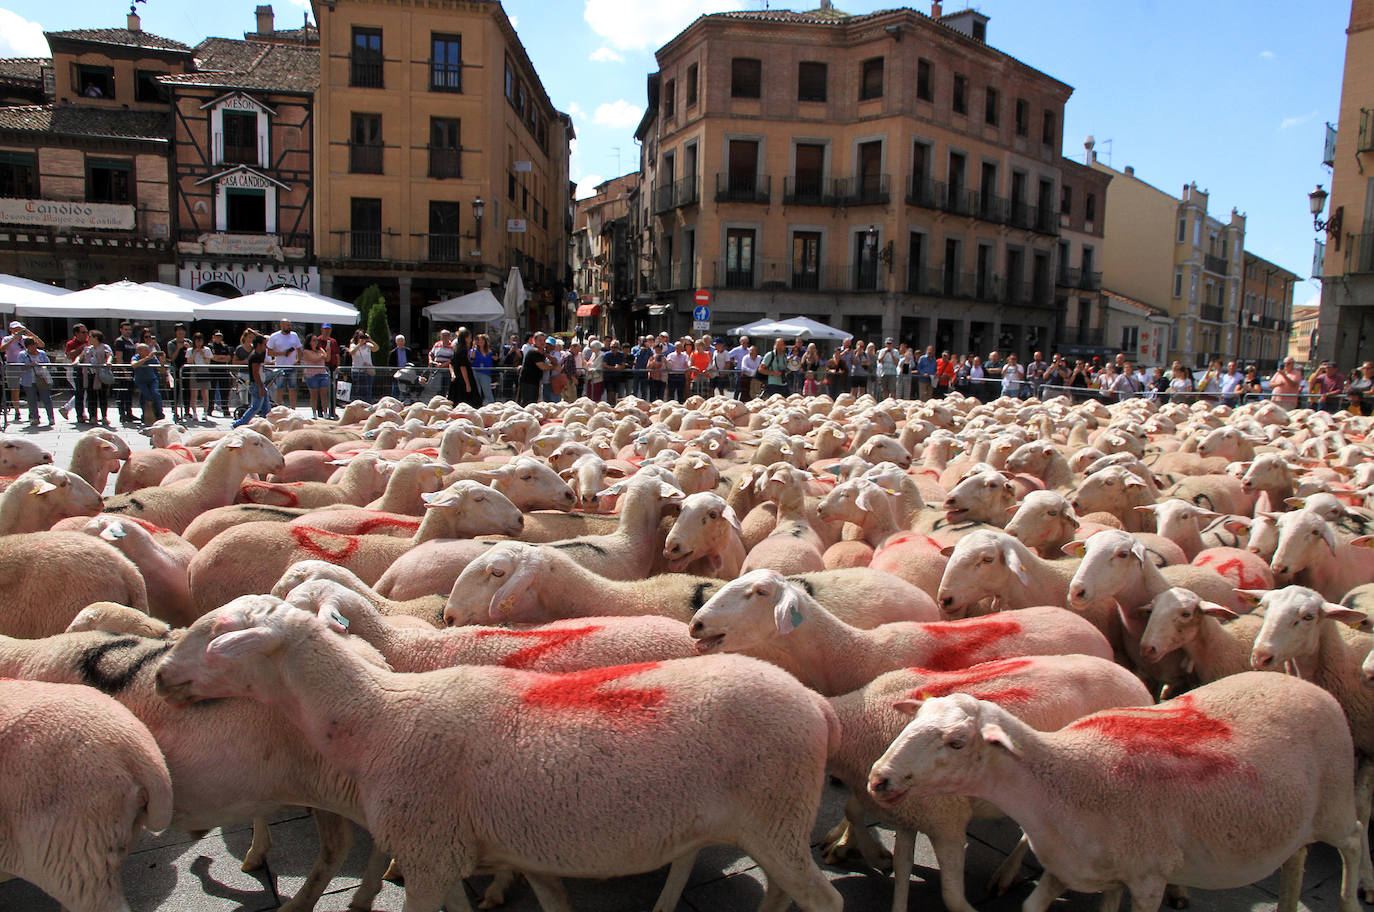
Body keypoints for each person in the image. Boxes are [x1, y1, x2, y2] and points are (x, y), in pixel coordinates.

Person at [76, 329, 114, 425]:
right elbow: (80, 356)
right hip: (90, 374)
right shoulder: (88, 348)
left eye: (90, 336)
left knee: (102, 396)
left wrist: (108, 362)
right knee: (91, 396)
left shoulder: (104, 347)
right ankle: (93, 416)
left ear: (96, 337)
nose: (88, 338)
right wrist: (77, 361)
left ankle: (104, 416)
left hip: (101, 374)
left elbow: (109, 355)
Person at [233, 334, 271, 428]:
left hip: (259, 383)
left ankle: (267, 424)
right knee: (256, 407)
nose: (265, 347)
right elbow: (255, 373)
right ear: (258, 345)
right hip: (257, 384)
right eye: (264, 344)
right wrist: (260, 387)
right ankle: (238, 424)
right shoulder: (255, 356)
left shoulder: (258, 354)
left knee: (266, 407)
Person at [15, 336, 54, 426]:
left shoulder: (42, 353)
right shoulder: (22, 355)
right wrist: (29, 365)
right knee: (32, 400)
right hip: (28, 381)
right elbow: (20, 368)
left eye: (34, 345)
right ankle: (35, 418)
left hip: (42, 379)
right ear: (27, 346)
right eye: (31, 346)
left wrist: (40, 365)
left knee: (46, 399)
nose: (33, 347)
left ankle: (51, 418)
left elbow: (48, 364)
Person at [266, 319, 301, 409]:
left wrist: (299, 360)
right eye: (287, 325)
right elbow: (269, 352)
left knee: (292, 388)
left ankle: (293, 408)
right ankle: (279, 408)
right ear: (281, 325)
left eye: (290, 325)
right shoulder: (274, 336)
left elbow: (299, 348)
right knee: (279, 388)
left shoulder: (294, 335)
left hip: (292, 365)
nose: (289, 327)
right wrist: (282, 353)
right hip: (280, 366)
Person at [130, 342, 165, 424]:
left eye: (148, 349)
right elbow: (134, 365)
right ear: (139, 351)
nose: (148, 351)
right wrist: (146, 358)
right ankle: (147, 415)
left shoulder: (153, 358)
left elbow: (162, 370)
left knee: (156, 394)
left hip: (152, 380)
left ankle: (160, 414)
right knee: (147, 396)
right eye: (145, 350)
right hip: (141, 381)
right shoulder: (136, 357)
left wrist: (162, 362)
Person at [62, 324, 90, 422]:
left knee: (84, 392)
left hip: (86, 371)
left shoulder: (89, 341)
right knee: (81, 393)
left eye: (86, 332)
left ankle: (81, 413)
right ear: (76, 333)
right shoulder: (71, 343)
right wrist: (82, 347)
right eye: (83, 332)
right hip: (74, 371)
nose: (86, 334)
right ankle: (67, 409)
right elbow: (70, 355)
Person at [111, 321, 137, 422]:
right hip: (122, 371)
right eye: (125, 329)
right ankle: (122, 414)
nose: (128, 331)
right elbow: (119, 357)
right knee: (122, 393)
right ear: (121, 330)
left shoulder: (130, 341)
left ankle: (129, 413)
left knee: (129, 392)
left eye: (129, 329)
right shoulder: (119, 341)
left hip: (131, 370)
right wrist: (125, 371)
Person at [518, 333, 553, 405]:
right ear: (534, 341)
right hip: (528, 382)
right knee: (528, 404)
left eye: (544, 340)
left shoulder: (542, 352)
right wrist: (554, 367)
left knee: (533, 403)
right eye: (540, 340)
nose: (542, 342)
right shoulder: (534, 352)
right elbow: (542, 366)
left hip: (535, 382)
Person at [300, 334, 329, 418]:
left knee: (324, 395)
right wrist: (321, 356)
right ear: (309, 342)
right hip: (312, 375)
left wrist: (326, 352)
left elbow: (326, 358)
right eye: (314, 340)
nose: (316, 342)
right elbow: (313, 359)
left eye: (317, 340)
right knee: (313, 395)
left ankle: (325, 412)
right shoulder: (306, 351)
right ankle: (314, 413)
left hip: (323, 374)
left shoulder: (320, 349)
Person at [450, 328, 480, 407]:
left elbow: (452, 363)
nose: (471, 339)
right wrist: (467, 384)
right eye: (470, 337)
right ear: (466, 338)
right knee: (468, 400)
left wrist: (453, 374)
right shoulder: (462, 350)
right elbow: (462, 367)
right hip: (463, 378)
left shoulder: (459, 348)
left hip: (459, 377)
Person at [317, 323, 342, 418]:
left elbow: (337, 355)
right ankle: (320, 410)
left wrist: (338, 368)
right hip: (321, 367)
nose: (327, 331)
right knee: (321, 390)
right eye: (325, 329)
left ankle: (332, 411)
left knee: (332, 390)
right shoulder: (318, 340)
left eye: (328, 329)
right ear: (321, 330)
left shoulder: (333, 341)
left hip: (332, 368)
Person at [187, 332, 213, 422]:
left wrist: (202, 354)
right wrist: (194, 354)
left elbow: (208, 362)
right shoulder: (190, 350)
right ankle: (194, 413)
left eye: (200, 341)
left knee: (205, 393)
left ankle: (205, 413)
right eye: (197, 341)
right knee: (194, 394)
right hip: (194, 371)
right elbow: (189, 362)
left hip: (204, 371)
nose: (198, 343)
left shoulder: (207, 350)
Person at [348, 330, 379, 402]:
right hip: (357, 372)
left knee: (368, 390)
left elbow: (376, 348)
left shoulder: (368, 345)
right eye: (360, 336)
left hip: (368, 371)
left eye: (363, 336)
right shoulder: (353, 345)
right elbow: (352, 352)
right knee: (358, 391)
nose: (362, 338)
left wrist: (370, 340)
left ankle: (367, 404)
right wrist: (359, 344)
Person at [208, 330, 232, 416]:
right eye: (217, 336)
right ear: (213, 337)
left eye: (220, 336)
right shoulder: (210, 346)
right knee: (211, 390)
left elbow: (228, 358)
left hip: (223, 370)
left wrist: (220, 358)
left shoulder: (224, 346)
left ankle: (225, 408)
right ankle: (209, 409)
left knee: (225, 390)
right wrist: (221, 357)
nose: (218, 338)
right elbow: (212, 357)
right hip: (213, 370)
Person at [430, 330, 456, 399]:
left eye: (446, 336)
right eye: (442, 335)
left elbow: (453, 359)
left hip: (447, 370)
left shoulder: (452, 346)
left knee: (445, 387)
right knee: (436, 387)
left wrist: (443, 364)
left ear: (449, 336)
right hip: (437, 370)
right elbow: (431, 354)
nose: (444, 337)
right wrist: (430, 361)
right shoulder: (437, 344)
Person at [471, 333, 495, 404]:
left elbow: (495, 359)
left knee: (487, 391)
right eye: (479, 340)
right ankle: (477, 405)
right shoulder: (474, 351)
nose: (480, 342)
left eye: (482, 340)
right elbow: (472, 358)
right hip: (475, 372)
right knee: (477, 391)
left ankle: (491, 405)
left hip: (486, 373)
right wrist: (473, 346)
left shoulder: (489, 351)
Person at [392, 334, 414, 399]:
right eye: (399, 341)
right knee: (396, 389)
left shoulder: (408, 351)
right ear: (396, 342)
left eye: (402, 341)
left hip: (406, 373)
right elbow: (391, 364)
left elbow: (411, 361)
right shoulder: (393, 352)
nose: (401, 342)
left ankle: (407, 401)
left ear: (404, 342)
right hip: (397, 373)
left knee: (406, 388)